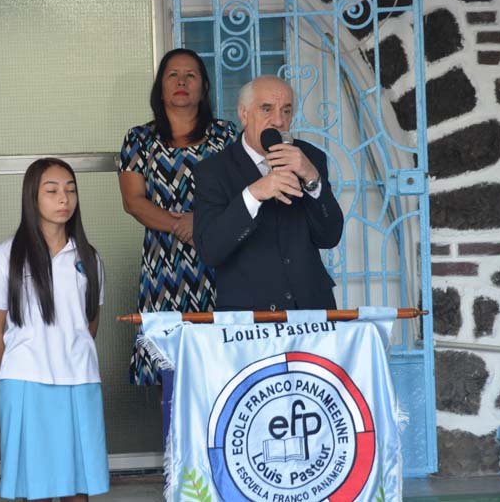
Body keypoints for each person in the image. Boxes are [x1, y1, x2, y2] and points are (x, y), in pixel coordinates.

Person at [0, 158, 109, 501]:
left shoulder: (89, 258)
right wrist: (17, 371)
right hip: (27, 383)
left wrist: (69, 355)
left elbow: (89, 322)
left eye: (70, 190)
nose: (64, 198)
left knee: (78, 487)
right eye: (51, 191)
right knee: (34, 487)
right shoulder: (7, 256)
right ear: (32, 197)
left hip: (79, 380)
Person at [117, 48, 237, 386]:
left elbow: (243, 194)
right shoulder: (139, 139)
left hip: (220, 262)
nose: (182, 81)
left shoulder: (226, 135)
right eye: (173, 75)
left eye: (191, 75)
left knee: (221, 369)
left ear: (204, 87)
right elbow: (133, 201)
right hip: (164, 266)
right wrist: (181, 225)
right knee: (168, 372)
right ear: (160, 87)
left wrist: (202, 224)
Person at [193, 75, 343, 311]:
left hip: (311, 309)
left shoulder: (310, 157)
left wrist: (312, 179)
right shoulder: (213, 171)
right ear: (244, 114)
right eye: (266, 109)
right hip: (249, 315)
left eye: (286, 110)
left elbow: (330, 236)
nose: (279, 121)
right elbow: (210, 251)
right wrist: (254, 194)